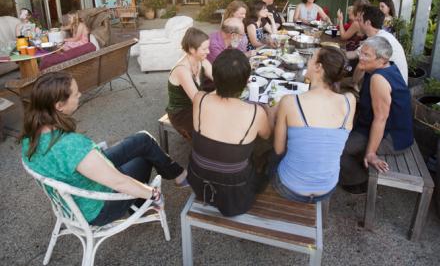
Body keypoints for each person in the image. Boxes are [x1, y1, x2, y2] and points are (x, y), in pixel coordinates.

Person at [20, 72, 187, 226]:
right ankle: (144, 202)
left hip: (77, 181)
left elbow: (72, 159)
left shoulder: (30, 136)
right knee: (142, 159)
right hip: (97, 208)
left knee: (142, 140)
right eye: (75, 93)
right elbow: (119, 182)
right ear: (59, 106)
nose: (80, 95)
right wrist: (153, 193)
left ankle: (177, 174)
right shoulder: (71, 144)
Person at [187, 49, 272, 216]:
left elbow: (215, 97)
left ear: (215, 77)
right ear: (247, 81)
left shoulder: (200, 98)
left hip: (198, 179)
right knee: (267, 153)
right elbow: (267, 135)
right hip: (234, 192)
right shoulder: (256, 112)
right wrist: (269, 111)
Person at [272, 47, 355, 203]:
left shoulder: (290, 101)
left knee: (267, 158)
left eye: (311, 58)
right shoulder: (349, 101)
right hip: (327, 189)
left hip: (290, 189)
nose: (307, 62)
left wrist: (271, 113)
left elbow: (278, 149)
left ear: (318, 67)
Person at [339, 36, 414, 193]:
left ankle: (358, 182)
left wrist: (371, 153)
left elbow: (381, 119)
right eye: (362, 52)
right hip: (387, 129)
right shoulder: (383, 68)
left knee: (337, 148)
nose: (361, 57)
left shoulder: (379, 79)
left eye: (367, 55)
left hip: (392, 137)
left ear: (382, 59)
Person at [166, 27, 213, 140]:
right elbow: (197, 100)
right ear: (192, 49)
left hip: (196, 105)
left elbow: (219, 79)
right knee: (210, 131)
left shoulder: (202, 61)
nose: (208, 52)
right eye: (204, 49)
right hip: (181, 113)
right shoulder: (182, 70)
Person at [353, 5, 408, 83]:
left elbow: (361, 67)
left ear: (368, 23)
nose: (357, 21)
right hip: (392, 82)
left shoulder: (379, 40)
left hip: (391, 87)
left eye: (360, 20)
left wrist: (353, 84)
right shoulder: (377, 36)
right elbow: (355, 53)